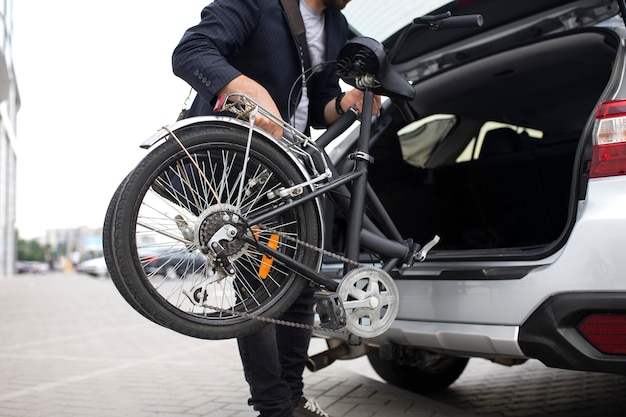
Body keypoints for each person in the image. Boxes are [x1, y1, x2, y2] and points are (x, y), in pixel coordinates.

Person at [171, 1, 380, 416]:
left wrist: (346, 103)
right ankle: (273, 406)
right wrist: (241, 86)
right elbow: (191, 51)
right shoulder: (256, 3)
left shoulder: (335, 26)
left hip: (293, 171)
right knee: (260, 287)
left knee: (302, 281)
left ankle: (292, 396)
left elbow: (318, 106)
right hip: (239, 165)